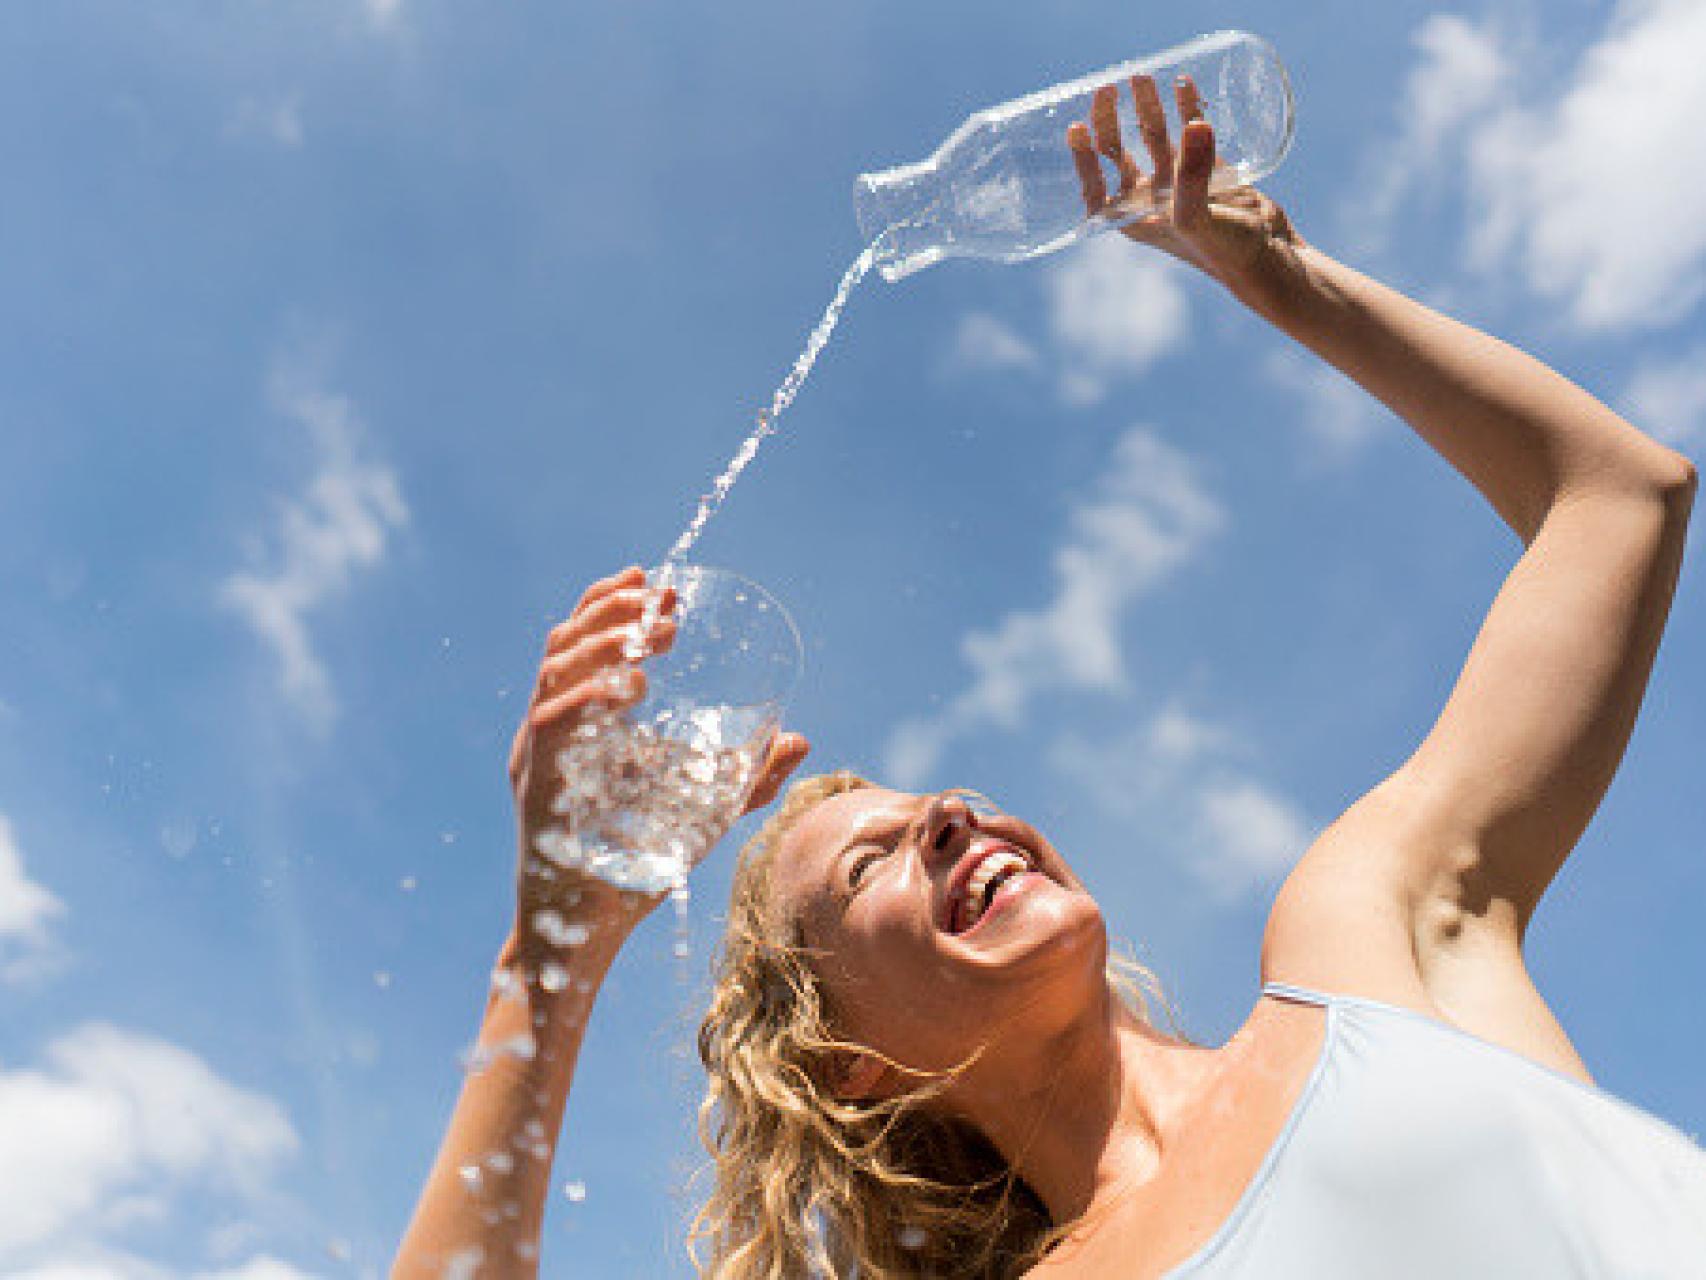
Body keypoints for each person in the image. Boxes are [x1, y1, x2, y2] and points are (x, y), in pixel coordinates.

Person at [395, 75, 1704, 1278]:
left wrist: (1289, 286)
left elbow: (1616, 500)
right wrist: (549, 954)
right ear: (846, 1066)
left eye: (929, 807)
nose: (951, 812)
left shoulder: (1361, 939)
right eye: (872, 866)